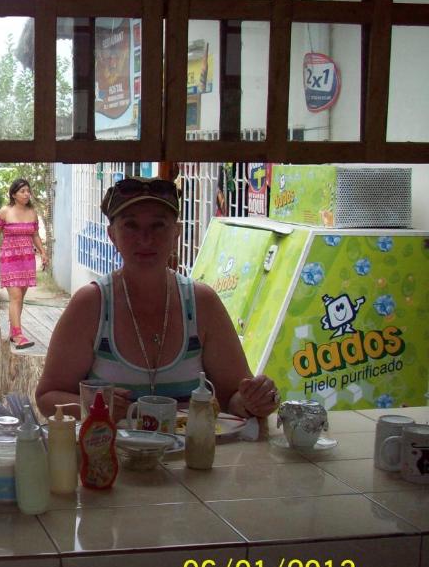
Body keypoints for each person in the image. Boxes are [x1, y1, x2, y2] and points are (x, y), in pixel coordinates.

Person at [35, 176, 280, 422]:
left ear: (176, 232)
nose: (145, 238)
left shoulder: (201, 303)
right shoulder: (92, 305)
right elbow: (47, 397)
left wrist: (254, 400)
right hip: (112, 457)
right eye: (131, 225)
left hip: (192, 456)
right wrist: (93, 405)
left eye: (158, 225)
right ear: (112, 235)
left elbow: (232, 396)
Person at [0, 178, 48, 349]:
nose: (27, 194)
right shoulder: (4, 211)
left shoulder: (32, 212)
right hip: (9, 259)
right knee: (15, 297)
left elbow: (34, 235)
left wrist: (43, 252)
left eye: (28, 191)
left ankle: (13, 331)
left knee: (20, 298)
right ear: (13, 194)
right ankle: (18, 335)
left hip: (27, 260)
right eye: (22, 191)